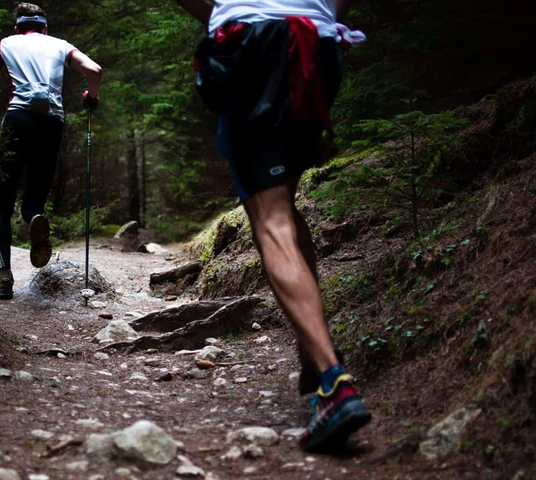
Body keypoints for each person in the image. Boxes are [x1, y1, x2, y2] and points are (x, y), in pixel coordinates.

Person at [174, 0, 370, 452]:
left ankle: (332, 383)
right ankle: (313, 349)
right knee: (285, 201)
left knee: (270, 218)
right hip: (317, 49)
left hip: (252, 47)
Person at [0, 3, 103, 300]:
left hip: (18, 119)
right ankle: (34, 219)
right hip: (52, 122)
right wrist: (91, 97)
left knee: (2, 203)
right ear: (45, 28)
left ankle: (4, 277)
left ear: (18, 27)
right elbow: (95, 70)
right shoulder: (60, 45)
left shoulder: (6, 44)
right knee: (34, 200)